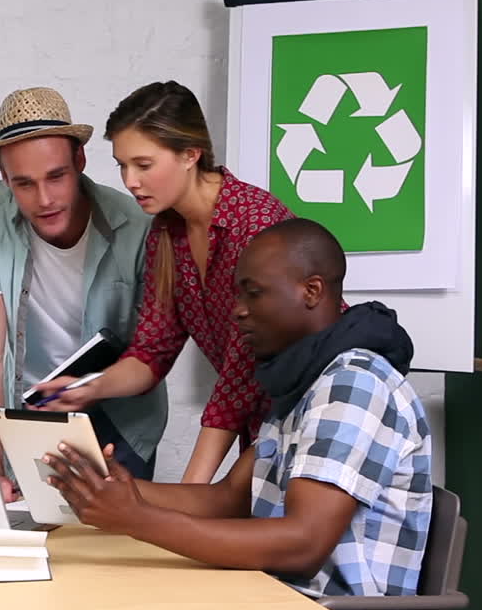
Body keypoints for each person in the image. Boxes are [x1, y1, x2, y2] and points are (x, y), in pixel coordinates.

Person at [42, 218, 432, 610]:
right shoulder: (306, 380)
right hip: (273, 602)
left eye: (254, 293)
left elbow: (304, 543)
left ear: (311, 291)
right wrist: (113, 490)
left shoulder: (353, 383)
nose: (238, 310)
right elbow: (229, 499)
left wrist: (137, 519)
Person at [34, 80, 293, 483]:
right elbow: (151, 354)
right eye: (122, 165)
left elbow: (239, 380)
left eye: (143, 164)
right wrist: (89, 387)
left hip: (310, 418)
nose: (130, 181)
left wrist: (188, 495)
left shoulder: (256, 227)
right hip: (259, 429)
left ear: (191, 154)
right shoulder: (166, 235)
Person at [0, 86, 167, 496]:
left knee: (112, 550)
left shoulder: (138, 225)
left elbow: (155, 349)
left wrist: (88, 388)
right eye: (24, 184)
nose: (45, 199)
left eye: (57, 176)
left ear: (80, 161)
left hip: (121, 415)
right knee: (28, 537)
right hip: (28, 411)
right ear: (4, 179)